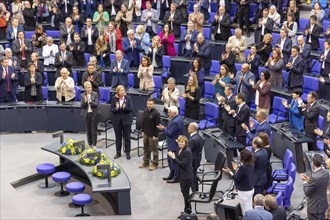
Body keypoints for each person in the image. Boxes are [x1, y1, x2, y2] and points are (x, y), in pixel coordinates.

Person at [157, 106, 184, 183]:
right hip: (171, 143)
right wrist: (165, 128)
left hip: (174, 144)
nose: (168, 114)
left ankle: (176, 177)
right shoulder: (176, 119)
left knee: (173, 161)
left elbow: (169, 133)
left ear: (174, 113)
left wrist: (162, 128)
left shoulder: (176, 122)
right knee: (170, 160)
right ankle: (171, 174)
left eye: (169, 112)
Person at [223, 149, 255, 215]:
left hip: (244, 192)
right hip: (251, 189)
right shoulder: (251, 164)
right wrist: (237, 169)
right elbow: (244, 175)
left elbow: (237, 179)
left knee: (245, 211)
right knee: (250, 207)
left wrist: (230, 172)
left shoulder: (243, 167)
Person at [168, 135, 193, 215]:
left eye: (182, 142)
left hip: (186, 176)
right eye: (179, 142)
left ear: (185, 142)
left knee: (186, 194)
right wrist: (174, 156)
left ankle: (188, 211)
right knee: (184, 192)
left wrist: (173, 157)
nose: (180, 143)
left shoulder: (187, 151)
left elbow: (182, 164)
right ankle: (187, 210)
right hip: (182, 175)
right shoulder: (180, 149)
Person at [300, 154, 329, 220]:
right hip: (323, 204)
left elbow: (307, 192)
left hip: (314, 207)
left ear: (312, 163)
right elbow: (318, 183)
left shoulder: (314, 177)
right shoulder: (326, 172)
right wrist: (309, 180)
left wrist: (304, 182)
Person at [111, 85, 134, 160]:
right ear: (117, 92)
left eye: (123, 90)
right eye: (121, 90)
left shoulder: (128, 98)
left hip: (126, 121)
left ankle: (128, 153)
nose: (123, 91)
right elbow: (112, 110)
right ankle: (118, 153)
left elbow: (131, 109)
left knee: (127, 138)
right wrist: (116, 108)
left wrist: (125, 107)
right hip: (117, 121)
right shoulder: (114, 99)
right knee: (118, 138)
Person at [140, 98, 161, 170]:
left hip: (152, 135)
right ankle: (146, 162)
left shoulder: (156, 113)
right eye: (148, 104)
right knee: (145, 148)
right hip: (145, 133)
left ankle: (155, 164)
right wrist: (143, 131)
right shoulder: (145, 111)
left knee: (154, 150)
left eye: (150, 104)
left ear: (154, 104)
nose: (149, 105)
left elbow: (158, 126)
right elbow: (143, 122)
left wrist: (156, 135)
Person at [81, 81, 100, 149]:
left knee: (93, 130)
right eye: (87, 87)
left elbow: (96, 104)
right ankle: (89, 144)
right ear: (85, 88)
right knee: (88, 130)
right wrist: (86, 102)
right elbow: (82, 106)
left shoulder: (95, 94)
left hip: (94, 114)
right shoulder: (82, 95)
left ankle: (94, 145)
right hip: (87, 114)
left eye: (90, 87)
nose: (89, 89)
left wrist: (90, 101)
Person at [187, 122, 204, 192]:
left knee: (192, 176)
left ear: (193, 128)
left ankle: (194, 191)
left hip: (193, 160)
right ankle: (195, 190)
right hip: (197, 158)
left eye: (189, 127)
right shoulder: (199, 136)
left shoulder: (193, 140)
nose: (187, 128)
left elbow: (188, 151)